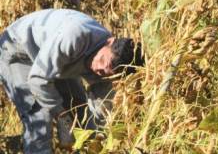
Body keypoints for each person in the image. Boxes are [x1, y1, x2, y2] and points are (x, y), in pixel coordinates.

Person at [0, 9, 144, 154]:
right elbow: (38, 79)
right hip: (17, 51)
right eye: (101, 61)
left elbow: (100, 109)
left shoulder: (109, 68)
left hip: (54, 60)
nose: (98, 69)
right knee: (39, 117)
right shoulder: (75, 36)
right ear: (109, 41)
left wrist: (100, 138)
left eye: (106, 72)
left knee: (78, 107)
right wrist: (62, 117)